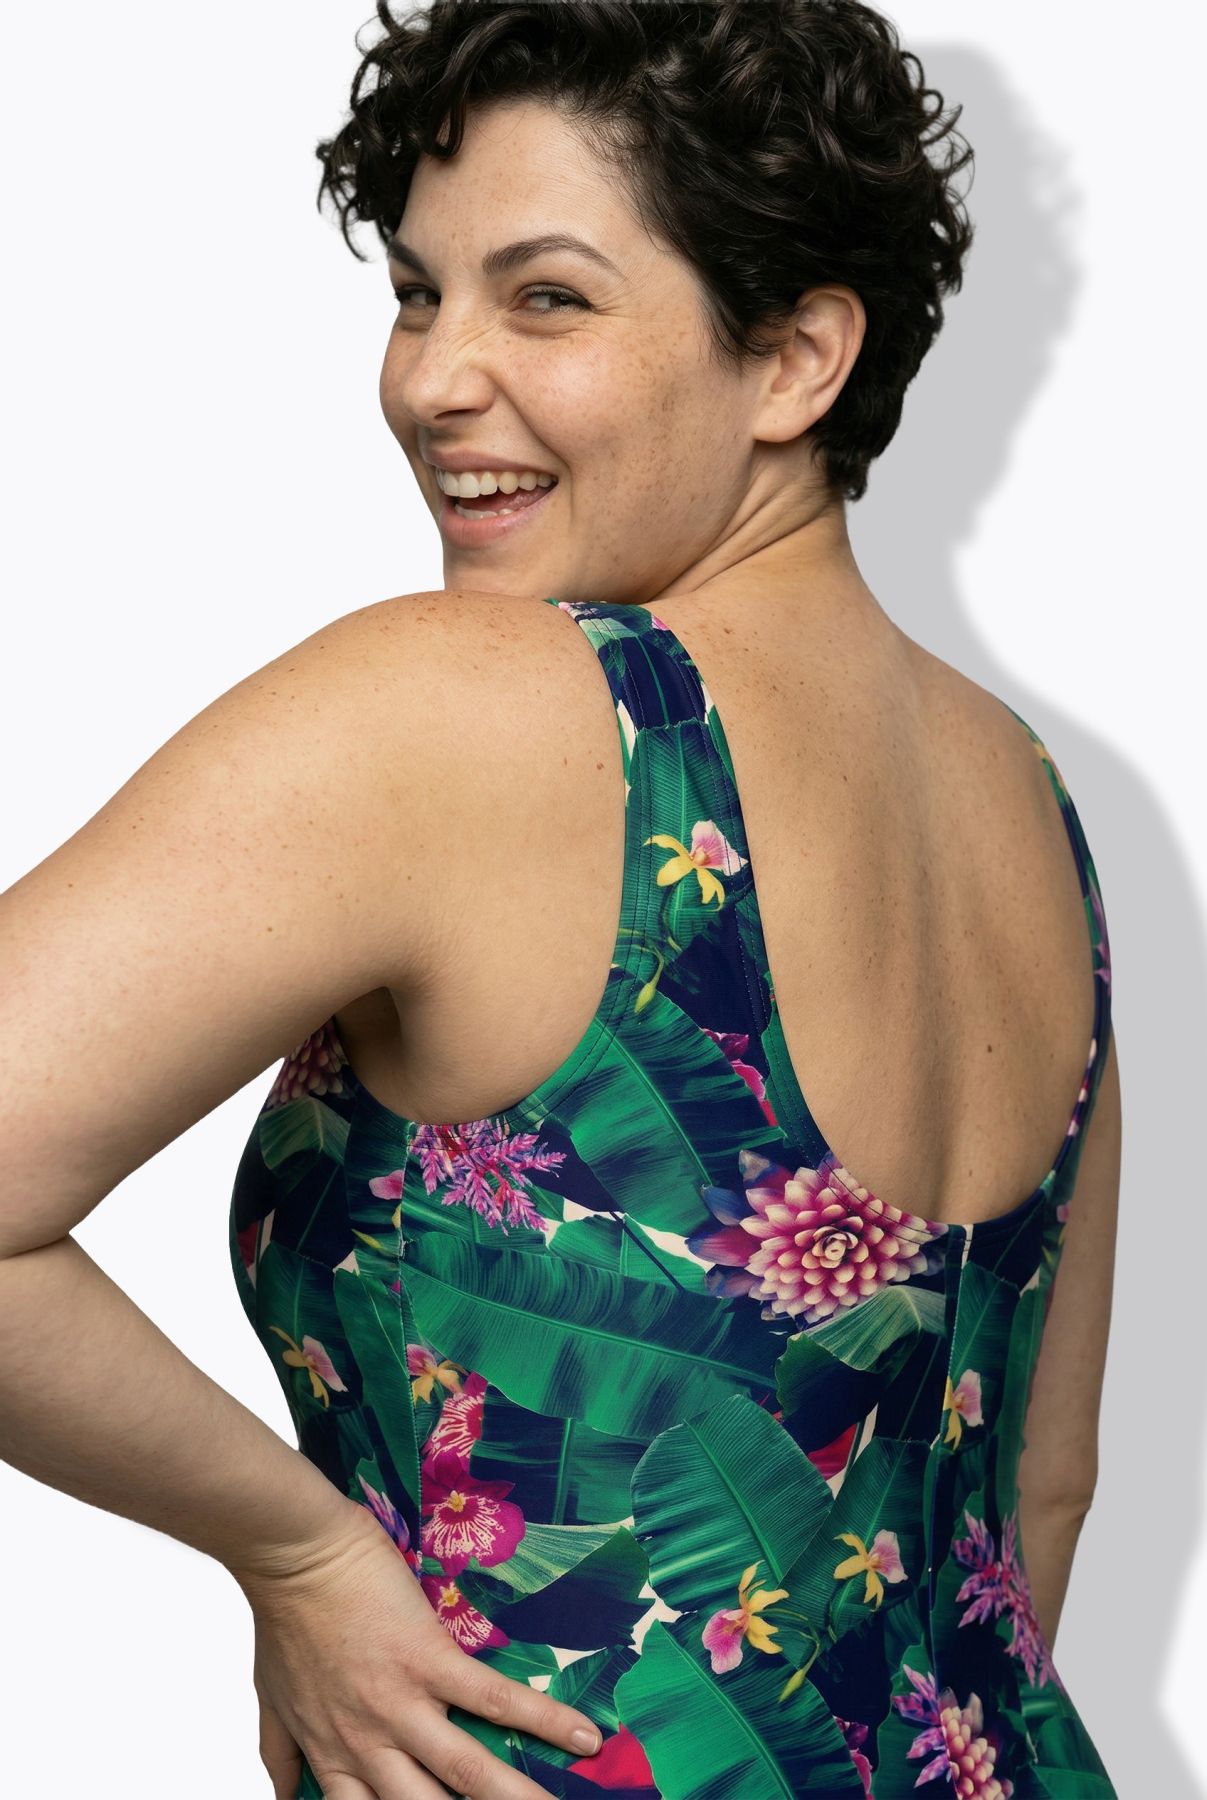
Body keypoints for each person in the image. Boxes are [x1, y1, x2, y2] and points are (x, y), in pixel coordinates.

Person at [0, 1, 1121, 1795]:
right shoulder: (1032, 796)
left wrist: (298, 1556)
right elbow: (1038, 1495)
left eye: (545, 298)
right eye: (416, 291)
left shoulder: (476, 707)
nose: (431, 379)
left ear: (796, 360)